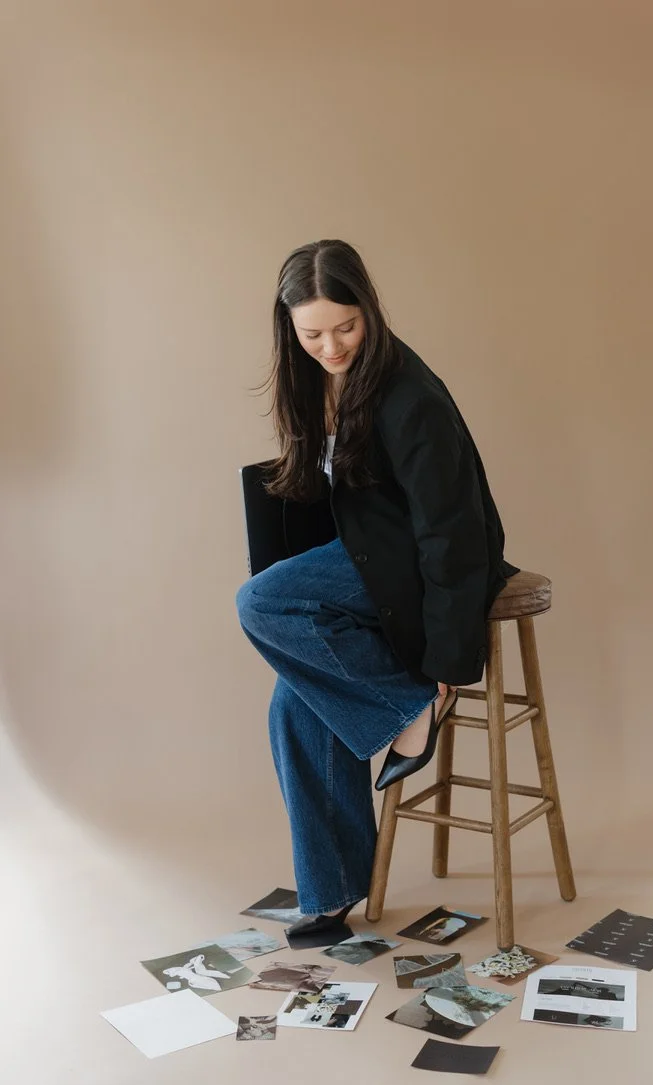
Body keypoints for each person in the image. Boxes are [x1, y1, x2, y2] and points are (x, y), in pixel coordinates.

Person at [236, 240, 517, 936]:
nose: (331, 346)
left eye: (346, 327)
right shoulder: (315, 379)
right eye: (313, 333)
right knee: (293, 703)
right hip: (369, 555)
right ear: (290, 329)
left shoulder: (409, 395)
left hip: (419, 567)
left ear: (371, 312)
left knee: (261, 602)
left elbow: (453, 534)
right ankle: (332, 893)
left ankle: (406, 706)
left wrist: (447, 665)